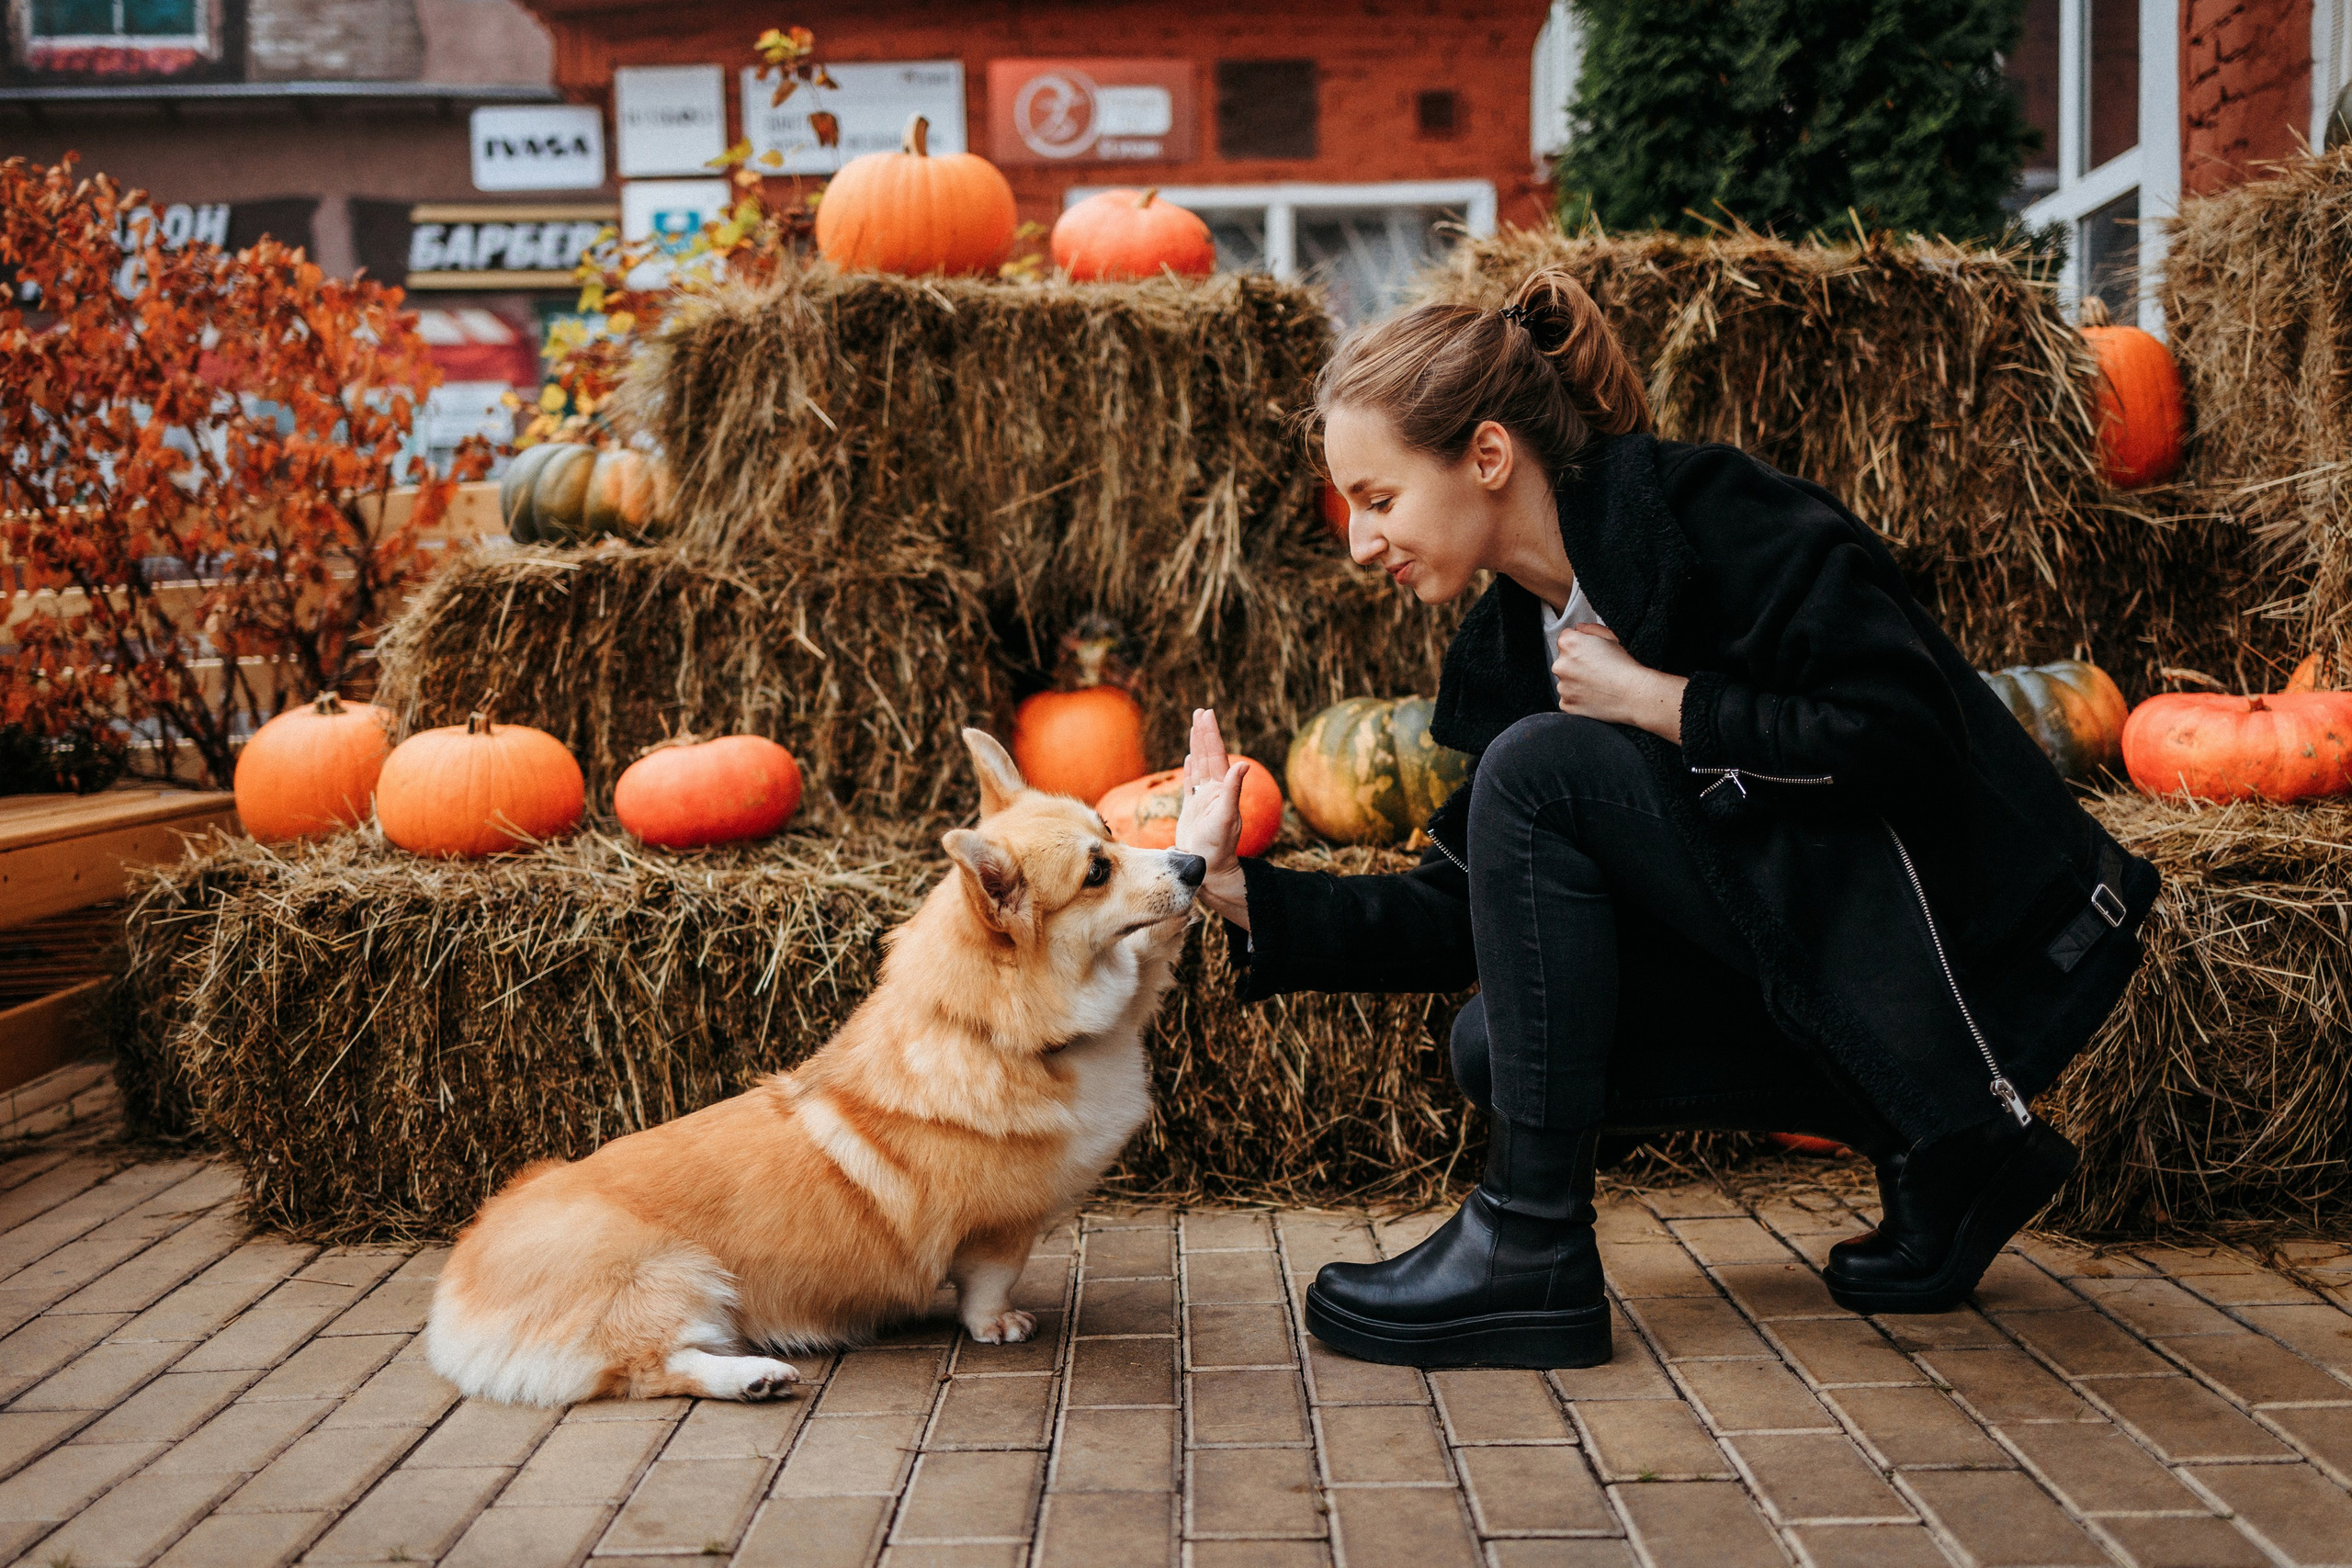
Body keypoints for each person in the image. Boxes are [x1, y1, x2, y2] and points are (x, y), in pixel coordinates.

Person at [1170, 268, 2158, 1371]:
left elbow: (1907, 737)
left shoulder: (1711, 517)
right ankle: (1944, 1145)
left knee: (1542, 767)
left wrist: (1662, 703)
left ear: (1487, 457)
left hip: (1994, 946)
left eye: (1379, 498)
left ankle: (1529, 1249)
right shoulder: (1515, 644)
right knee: (1498, 1042)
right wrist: (1224, 887)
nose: (1359, 543)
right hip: (1839, 952)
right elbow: (1466, 911)